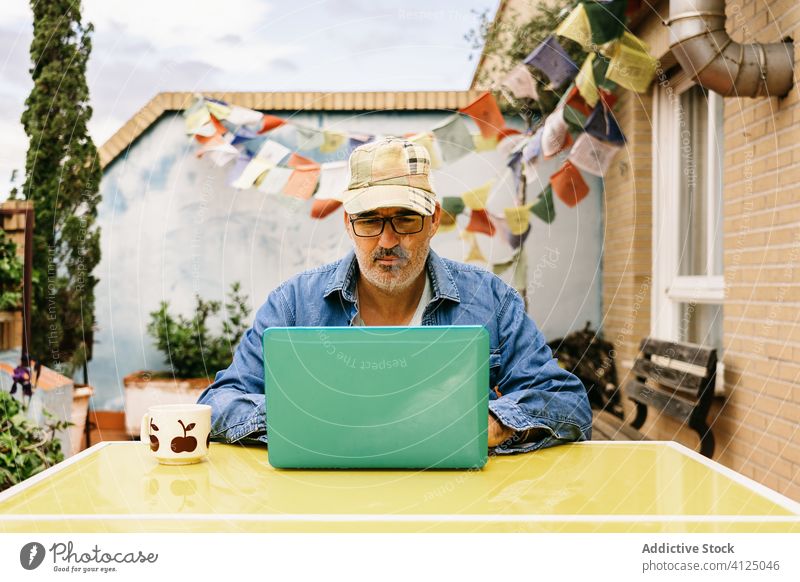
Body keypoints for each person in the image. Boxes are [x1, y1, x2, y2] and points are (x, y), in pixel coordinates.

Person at [198, 136, 591, 453]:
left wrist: (491, 423)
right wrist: (300, 419)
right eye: (370, 220)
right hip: (324, 503)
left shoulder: (492, 300)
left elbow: (568, 403)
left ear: (434, 219)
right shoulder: (292, 304)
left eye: (405, 218)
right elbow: (217, 403)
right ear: (349, 224)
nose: (388, 240)